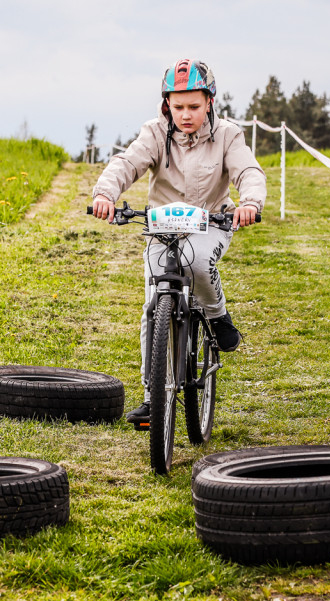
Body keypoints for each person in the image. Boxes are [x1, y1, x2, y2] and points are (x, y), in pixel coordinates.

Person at [90, 58, 267, 428]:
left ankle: (216, 315)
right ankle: (153, 396)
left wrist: (250, 202)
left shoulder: (229, 135)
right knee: (154, 306)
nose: (186, 114)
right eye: (178, 105)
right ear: (166, 103)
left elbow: (247, 170)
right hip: (164, 228)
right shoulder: (154, 132)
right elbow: (127, 163)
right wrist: (105, 193)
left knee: (200, 264)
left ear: (210, 103)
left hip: (211, 222)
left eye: (194, 106)